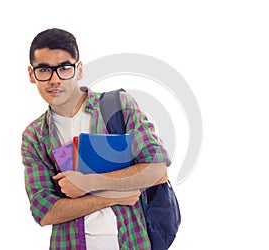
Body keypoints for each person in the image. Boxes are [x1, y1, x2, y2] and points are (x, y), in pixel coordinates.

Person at [21, 28, 170, 250]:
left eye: (64, 68)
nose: (55, 79)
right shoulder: (35, 135)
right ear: (32, 75)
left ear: (79, 70)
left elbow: (157, 170)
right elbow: (44, 211)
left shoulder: (117, 106)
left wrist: (88, 183)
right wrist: (113, 195)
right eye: (44, 70)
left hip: (131, 243)